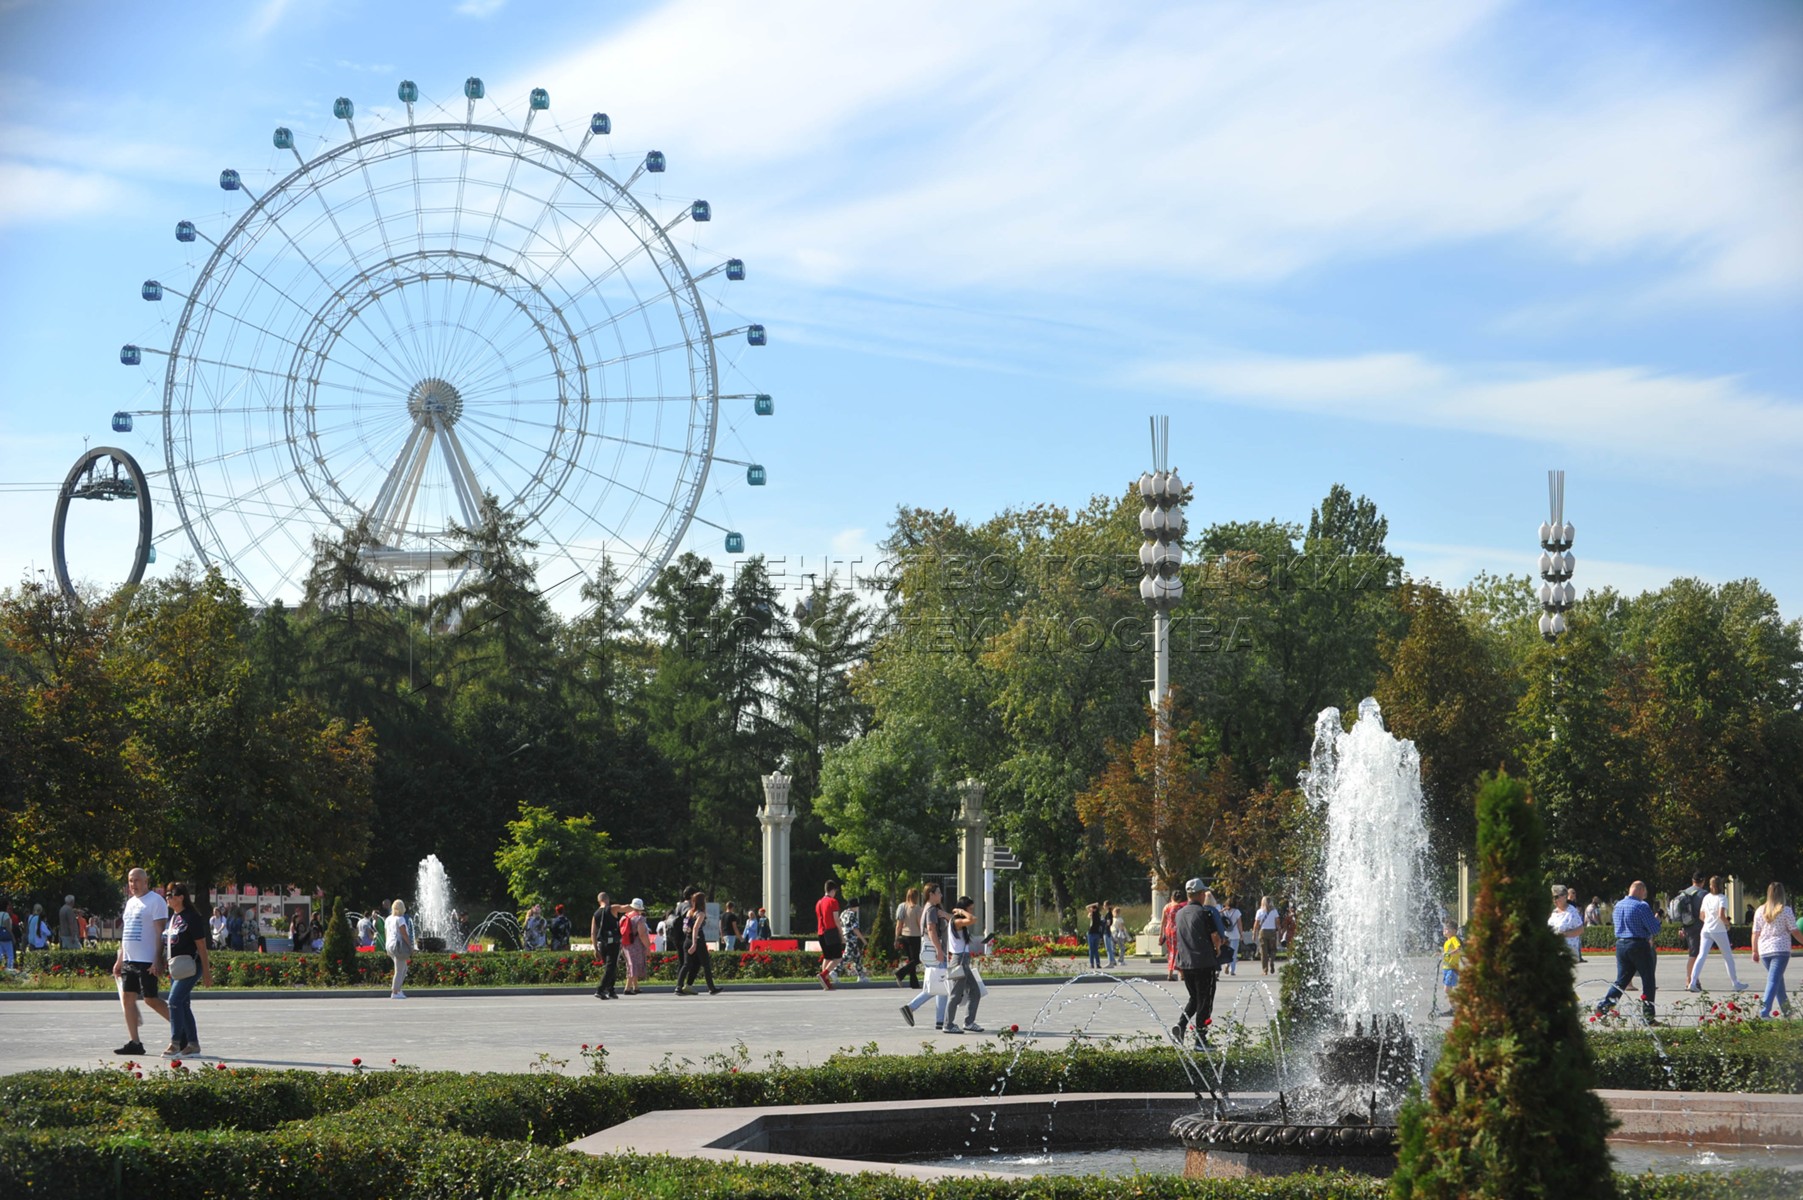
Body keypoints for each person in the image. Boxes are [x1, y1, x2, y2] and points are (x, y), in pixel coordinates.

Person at [112, 867, 171, 1055]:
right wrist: (120, 960)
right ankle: (135, 1042)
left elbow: (160, 933)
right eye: (130, 880)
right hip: (130, 959)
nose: (133, 884)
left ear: (146, 881)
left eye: (137, 880)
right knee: (127, 998)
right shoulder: (130, 903)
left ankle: (182, 1029)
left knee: (150, 999)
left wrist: (157, 959)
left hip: (147, 960)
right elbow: (126, 934)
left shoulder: (156, 901)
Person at [1596, 880, 1662, 1024]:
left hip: (1621, 945)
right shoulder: (1641, 906)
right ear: (1640, 890)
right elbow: (1654, 929)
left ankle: (1604, 1007)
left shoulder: (1618, 905)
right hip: (1638, 945)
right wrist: (1657, 920)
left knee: (1621, 981)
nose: (1644, 896)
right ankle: (1648, 1017)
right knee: (1648, 981)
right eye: (1644, 893)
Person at [1171, 880, 1226, 1047]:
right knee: (1205, 1001)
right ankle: (1201, 1039)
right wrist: (1218, 949)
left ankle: (1181, 1025)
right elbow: (1215, 936)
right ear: (1201, 894)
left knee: (1195, 998)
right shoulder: (1204, 913)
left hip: (1186, 963)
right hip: (1204, 962)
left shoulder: (1179, 913)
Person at [160, 882, 212, 1057]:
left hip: (191, 966)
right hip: (176, 968)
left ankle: (175, 1043)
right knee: (183, 1003)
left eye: (171, 895)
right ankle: (193, 1045)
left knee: (174, 1001)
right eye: (166, 895)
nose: (167, 898)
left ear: (181, 897)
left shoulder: (191, 917)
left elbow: (201, 945)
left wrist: (206, 972)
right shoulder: (173, 918)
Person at [901, 882, 950, 1029]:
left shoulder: (928, 909)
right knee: (940, 984)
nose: (941, 895)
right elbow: (931, 930)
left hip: (931, 951)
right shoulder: (931, 910)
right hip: (935, 952)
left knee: (939, 984)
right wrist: (939, 950)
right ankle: (911, 1007)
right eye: (938, 892)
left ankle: (940, 1020)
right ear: (931, 894)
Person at [1687, 875, 1747, 992]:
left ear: (1710, 886)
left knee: (1701, 956)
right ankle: (1735, 983)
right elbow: (1721, 915)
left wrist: (1709, 921)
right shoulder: (1722, 898)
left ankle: (1692, 982)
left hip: (1706, 929)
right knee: (1728, 957)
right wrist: (1727, 924)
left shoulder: (1706, 897)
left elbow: (1701, 916)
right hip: (1719, 930)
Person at [1750, 882, 1802, 1019]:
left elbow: (1755, 932)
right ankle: (1764, 1012)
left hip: (1764, 951)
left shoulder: (1760, 910)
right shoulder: (1786, 910)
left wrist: (1754, 951)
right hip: (1780, 949)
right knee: (1773, 980)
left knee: (1777, 981)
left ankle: (1787, 1012)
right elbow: (1794, 931)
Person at [941, 895, 984, 1034]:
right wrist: (961, 911)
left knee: (975, 992)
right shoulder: (956, 922)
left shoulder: (957, 921)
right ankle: (948, 1024)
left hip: (963, 961)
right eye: (969, 909)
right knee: (955, 994)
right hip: (958, 961)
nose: (971, 911)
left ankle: (969, 1022)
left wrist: (960, 912)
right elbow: (973, 919)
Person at [676, 890, 721, 995]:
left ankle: (678, 987)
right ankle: (711, 988)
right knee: (706, 964)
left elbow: (686, 927)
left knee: (686, 964)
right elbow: (695, 928)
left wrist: (690, 940)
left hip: (687, 939)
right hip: (698, 940)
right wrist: (694, 943)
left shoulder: (689, 912)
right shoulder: (700, 914)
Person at [1670, 871, 1707, 985]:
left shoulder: (1685, 892)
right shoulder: (1704, 894)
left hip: (1687, 926)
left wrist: (1681, 928)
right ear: (1703, 881)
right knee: (1694, 954)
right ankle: (1690, 979)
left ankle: (1693, 978)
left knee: (1694, 952)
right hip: (1698, 926)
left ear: (1693, 880)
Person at [591, 891, 628, 1000]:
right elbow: (625, 907)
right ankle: (600, 990)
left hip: (602, 943)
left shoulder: (595, 914)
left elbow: (593, 932)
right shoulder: (612, 908)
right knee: (611, 967)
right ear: (607, 899)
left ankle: (611, 990)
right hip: (613, 942)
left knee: (610, 966)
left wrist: (595, 948)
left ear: (599, 901)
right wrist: (637, 907)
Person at [815, 879, 844, 990]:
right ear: (833, 890)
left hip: (821, 932)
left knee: (827, 957)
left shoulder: (819, 902)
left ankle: (825, 981)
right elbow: (836, 919)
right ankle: (824, 975)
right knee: (838, 957)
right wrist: (841, 934)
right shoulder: (833, 902)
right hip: (831, 931)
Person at [619, 898, 651, 995]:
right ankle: (627, 988)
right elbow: (642, 934)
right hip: (635, 945)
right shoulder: (639, 918)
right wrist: (648, 946)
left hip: (625, 944)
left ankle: (635, 986)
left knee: (631, 964)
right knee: (633, 965)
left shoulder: (625, 916)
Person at [894, 886, 923, 990]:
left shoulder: (902, 906)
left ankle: (914, 983)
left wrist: (896, 938)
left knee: (911, 960)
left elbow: (899, 925)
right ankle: (900, 973)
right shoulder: (918, 909)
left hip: (904, 936)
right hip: (915, 936)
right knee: (917, 959)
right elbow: (920, 924)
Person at [837, 899, 871, 982]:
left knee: (857, 956)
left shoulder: (843, 913)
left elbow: (840, 923)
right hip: (851, 938)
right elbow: (855, 929)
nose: (858, 908)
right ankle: (835, 971)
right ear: (854, 906)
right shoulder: (852, 915)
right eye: (857, 906)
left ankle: (861, 975)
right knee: (847, 955)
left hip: (845, 936)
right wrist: (863, 940)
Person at [385, 899, 413, 999]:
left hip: (389, 945)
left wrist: (387, 948)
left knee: (404, 968)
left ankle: (398, 989)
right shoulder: (400, 919)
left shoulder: (388, 919)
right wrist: (410, 946)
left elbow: (386, 933)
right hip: (398, 946)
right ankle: (395, 992)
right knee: (400, 970)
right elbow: (404, 934)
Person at [1549, 886, 1584, 960]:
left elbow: (1580, 930)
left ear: (1565, 896)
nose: (1554, 900)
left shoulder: (1571, 911)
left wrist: (1563, 934)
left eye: (1556, 897)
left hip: (1568, 951)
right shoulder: (1554, 912)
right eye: (1552, 897)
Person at [1160, 889, 1185, 981]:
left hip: (1168, 930)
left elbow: (1163, 922)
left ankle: (1173, 973)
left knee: (1171, 951)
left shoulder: (1166, 907)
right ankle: (1179, 974)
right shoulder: (1179, 908)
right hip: (1177, 930)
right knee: (1179, 951)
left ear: (1171, 897)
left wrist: (1161, 934)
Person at [1253, 895, 1280, 975]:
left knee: (1263, 952)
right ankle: (1272, 961)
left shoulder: (1260, 911)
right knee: (1273, 949)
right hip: (1272, 931)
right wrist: (1279, 931)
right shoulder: (1274, 911)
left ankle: (1265, 970)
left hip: (1263, 932)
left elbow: (1256, 924)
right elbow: (1277, 922)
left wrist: (1254, 933)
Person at [1220, 896, 1243, 977]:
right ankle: (1232, 970)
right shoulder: (1237, 912)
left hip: (1226, 934)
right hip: (1235, 935)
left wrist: (1222, 910)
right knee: (1234, 953)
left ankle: (1226, 964)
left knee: (1225, 951)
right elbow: (1239, 924)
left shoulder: (1224, 911)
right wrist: (1241, 934)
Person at [1085, 902, 1105, 970]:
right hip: (1097, 933)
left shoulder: (1092, 914)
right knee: (1096, 949)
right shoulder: (1099, 915)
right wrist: (1096, 905)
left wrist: (1094, 904)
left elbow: (1087, 907)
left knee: (1091, 949)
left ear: (1093, 909)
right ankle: (1098, 963)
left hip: (1091, 933)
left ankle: (1092, 964)